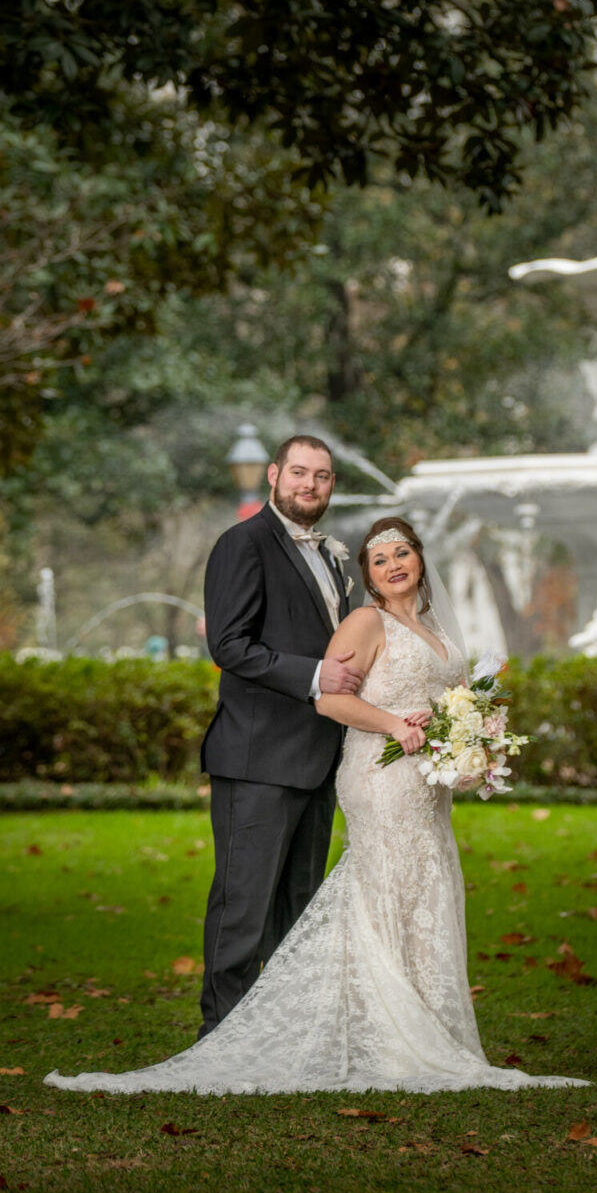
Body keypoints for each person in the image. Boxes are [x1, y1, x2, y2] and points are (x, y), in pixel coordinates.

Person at [44, 516, 586, 1095]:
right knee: (384, 887)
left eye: (402, 553)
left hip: (422, 783)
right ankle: (385, 1034)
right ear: (369, 576)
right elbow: (330, 701)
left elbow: (446, 699)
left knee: (426, 888)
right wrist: (397, 726)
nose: (393, 565)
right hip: (380, 776)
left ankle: (428, 1030)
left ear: (421, 559)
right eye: (379, 560)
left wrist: (467, 738)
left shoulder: (434, 627)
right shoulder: (363, 621)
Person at [196, 434, 360, 1039]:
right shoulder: (242, 544)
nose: (309, 485)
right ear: (273, 475)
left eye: (321, 476)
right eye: (298, 472)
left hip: (319, 758)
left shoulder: (336, 556)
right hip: (258, 756)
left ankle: (283, 1036)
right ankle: (220, 1035)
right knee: (243, 906)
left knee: (299, 908)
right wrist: (317, 675)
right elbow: (229, 645)